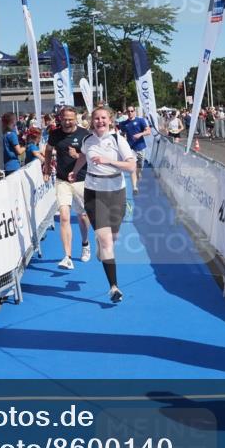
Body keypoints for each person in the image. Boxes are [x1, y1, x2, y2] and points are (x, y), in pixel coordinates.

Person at [69, 106, 137, 303]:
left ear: (110, 120)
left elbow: (131, 166)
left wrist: (108, 161)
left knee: (112, 237)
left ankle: (101, 245)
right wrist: (75, 170)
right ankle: (114, 287)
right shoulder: (87, 140)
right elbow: (83, 155)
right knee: (107, 241)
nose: (100, 121)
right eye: (96, 118)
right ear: (92, 121)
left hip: (116, 192)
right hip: (93, 192)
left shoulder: (117, 139)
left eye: (103, 118)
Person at [42, 106, 92, 269]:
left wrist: (76, 155)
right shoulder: (55, 134)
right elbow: (48, 150)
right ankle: (67, 257)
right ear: (60, 118)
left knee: (82, 216)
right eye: (65, 119)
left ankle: (85, 243)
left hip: (81, 180)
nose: (68, 122)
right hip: (62, 180)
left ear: (76, 118)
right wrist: (48, 167)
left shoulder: (84, 134)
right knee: (64, 216)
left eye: (71, 119)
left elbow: (91, 156)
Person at [119, 106, 152, 194]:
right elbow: (121, 131)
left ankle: (138, 173)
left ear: (134, 112)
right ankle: (135, 187)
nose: (130, 112)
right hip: (130, 148)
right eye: (128, 111)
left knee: (139, 166)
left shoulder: (140, 120)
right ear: (126, 112)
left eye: (132, 111)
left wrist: (140, 134)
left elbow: (148, 132)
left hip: (140, 147)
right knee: (133, 166)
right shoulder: (124, 123)